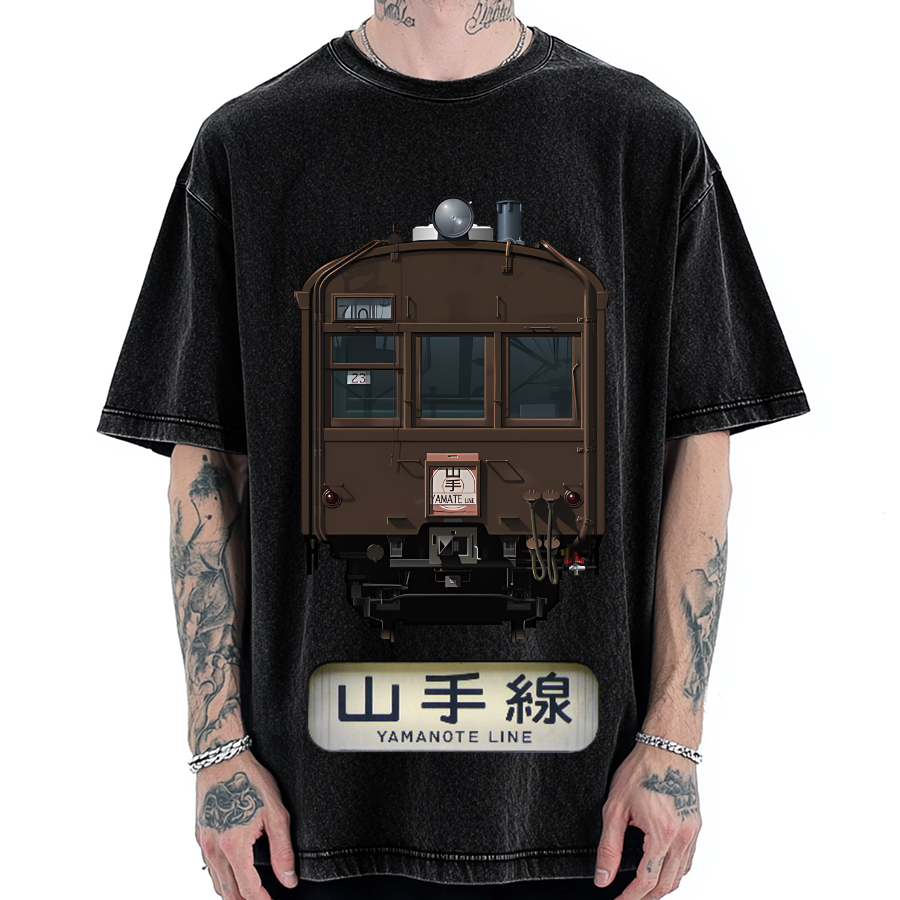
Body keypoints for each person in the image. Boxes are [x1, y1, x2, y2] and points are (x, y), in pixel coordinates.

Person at [97, 3, 810, 899]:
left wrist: (673, 744)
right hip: (307, 819)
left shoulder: (645, 139)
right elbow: (205, 475)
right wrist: (219, 754)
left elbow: (698, 453)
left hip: (587, 813)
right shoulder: (248, 145)